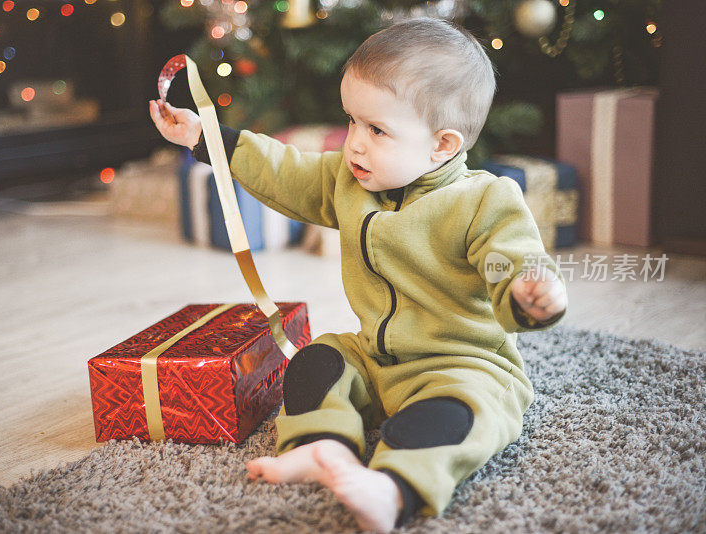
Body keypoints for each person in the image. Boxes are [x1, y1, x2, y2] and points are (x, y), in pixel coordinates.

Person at [149, 17, 567, 533]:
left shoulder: (484, 199)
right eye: (351, 121)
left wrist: (530, 290)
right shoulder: (348, 181)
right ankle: (321, 447)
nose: (354, 144)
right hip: (376, 357)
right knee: (317, 360)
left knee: (454, 415)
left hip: (462, 364)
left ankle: (392, 489)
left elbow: (512, 257)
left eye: (376, 129)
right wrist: (206, 137)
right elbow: (285, 170)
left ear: (442, 144)